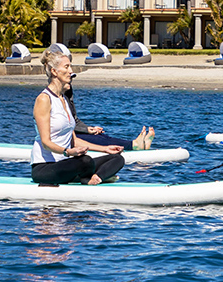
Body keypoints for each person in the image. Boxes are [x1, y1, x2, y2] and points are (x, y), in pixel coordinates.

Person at [30, 47, 125, 185]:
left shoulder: (64, 99)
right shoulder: (44, 99)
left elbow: (74, 141)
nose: (70, 71)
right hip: (46, 167)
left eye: (70, 67)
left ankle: (94, 178)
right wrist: (68, 152)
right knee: (84, 161)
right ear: (54, 71)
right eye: (66, 67)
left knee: (117, 159)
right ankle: (90, 178)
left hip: (68, 164)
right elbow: (46, 142)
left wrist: (105, 148)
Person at [46, 43, 155, 150]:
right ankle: (133, 145)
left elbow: (73, 121)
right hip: (60, 143)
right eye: (67, 69)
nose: (70, 77)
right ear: (54, 72)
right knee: (98, 140)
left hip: (70, 136)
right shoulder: (47, 99)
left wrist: (88, 129)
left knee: (99, 136)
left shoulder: (65, 96)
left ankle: (137, 145)